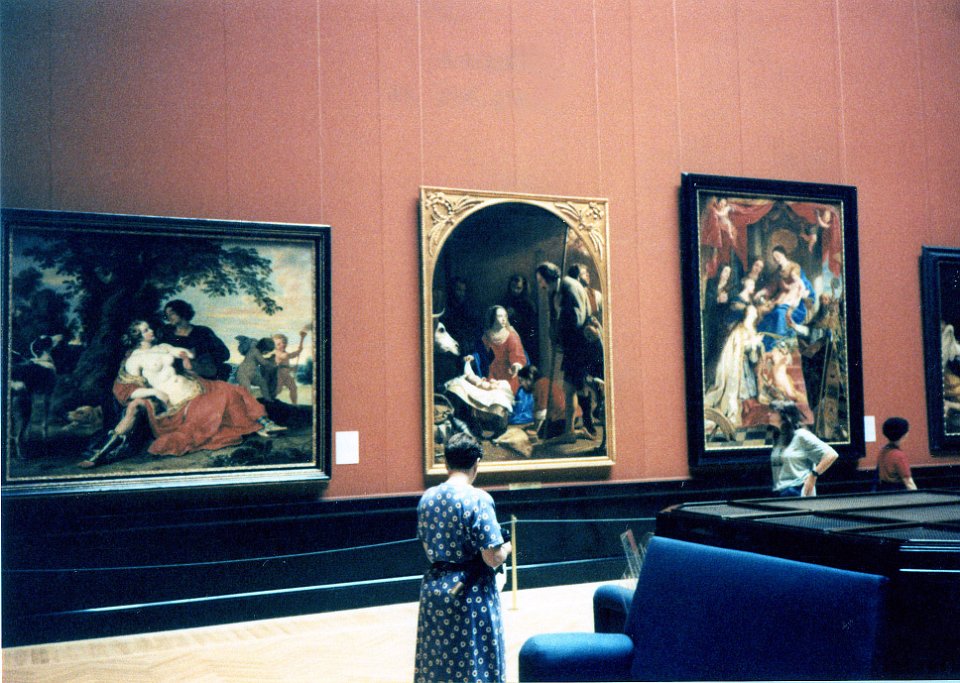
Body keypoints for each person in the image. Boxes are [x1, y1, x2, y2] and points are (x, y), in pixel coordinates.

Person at [78, 320, 284, 467]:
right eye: (146, 330)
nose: (151, 331)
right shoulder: (134, 360)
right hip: (177, 403)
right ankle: (101, 454)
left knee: (233, 390)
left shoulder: (163, 346)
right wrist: (153, 391)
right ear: (137, 336)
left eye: (149, 328)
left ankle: (264, 424)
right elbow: (127, 390)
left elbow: (183, 352)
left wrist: (186, 355)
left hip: (196, 388)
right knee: (220, 405)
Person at [414, 433, 511, 683]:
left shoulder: (427, 498)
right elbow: (492, 557)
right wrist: (507, 548)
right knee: (474, 661)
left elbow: (426, 544)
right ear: (476, 463)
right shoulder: (478, 499)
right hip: (471, 593)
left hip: (435, 588)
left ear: (446, 462)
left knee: (438, 661)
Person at [535, 262, 591, 442]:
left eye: (541, 280)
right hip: (571, 347)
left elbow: (576, 320)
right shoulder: (556, 291)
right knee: (570, 388)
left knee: (573, 388)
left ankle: (573, 431)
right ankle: (571, 430)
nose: (541, 285)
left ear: (548, 277)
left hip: (580, 345)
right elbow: (554, 320)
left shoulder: (569, 287)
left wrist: (560, 323)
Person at [769, 400, 838, 497]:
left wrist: (813, 476)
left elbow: (831, 454)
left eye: (773, 412)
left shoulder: (801, 435)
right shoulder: (779, 437)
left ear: (785, 416)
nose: (769, 414)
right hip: (782, 492)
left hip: (798, 491)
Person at [157, 299, 231, 380]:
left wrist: (199, 357)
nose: (169, 318)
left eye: (172, 314)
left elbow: (224, 353)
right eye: (167, 315)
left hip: (204, 375)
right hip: (176, 376)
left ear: (182, 312)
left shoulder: (203, 332)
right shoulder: (167, 334)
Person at [478, 305, 527, 394]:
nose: (504, 319)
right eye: (500, 316)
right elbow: (482, 353)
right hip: (494, 371)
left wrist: (516, 365)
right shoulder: (487, 336)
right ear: (493, 318)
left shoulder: (511, 336)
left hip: (509, 372)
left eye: (505, 316)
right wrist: (473, 357)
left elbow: (517, 355)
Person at [502, 274, 538, 366]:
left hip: (524, 339)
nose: (515, 290)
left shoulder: (528, 304)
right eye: (513, 287)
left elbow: (531, 326)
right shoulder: (506, 300)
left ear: (523, 288)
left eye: (518, 288)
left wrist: (516, 316)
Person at [875, 417, 917, 491]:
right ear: (904, 434)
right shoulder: (899, 456)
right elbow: (909, 483)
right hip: (898, 493)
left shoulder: (882, 451)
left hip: (883, 492)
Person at [273, 328, 309, 403]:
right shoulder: (278, 353)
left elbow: (285, 366)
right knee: (277, 390)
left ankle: (294, 404)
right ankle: (269, 402)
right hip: (279, 376)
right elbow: (288, 356)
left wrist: (302, 339)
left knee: (293, 388)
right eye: (278, 344)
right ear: (274, 346)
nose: (282, 345)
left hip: (286, 375)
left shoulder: (285, 353)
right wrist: (297, 352)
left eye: (284, 342)